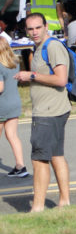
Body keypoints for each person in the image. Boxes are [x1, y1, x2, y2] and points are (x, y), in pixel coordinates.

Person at [16, 13, 71, 211]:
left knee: (39, 159)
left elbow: (61, 79)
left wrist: (31, 75)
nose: (34, 32)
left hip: (49, 111)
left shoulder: (53, 46)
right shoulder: (39, 47)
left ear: (46, 26)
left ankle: (37, 208)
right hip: (52, 109)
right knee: (56, 155)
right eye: (30, 29)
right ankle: (64, 202)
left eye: (38, 28)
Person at [0, 37, 28, 178]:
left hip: (2, 104)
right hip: (14, 102)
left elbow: (0, 87)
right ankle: (20, 165)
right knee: (12, 135)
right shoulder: (14, 63)